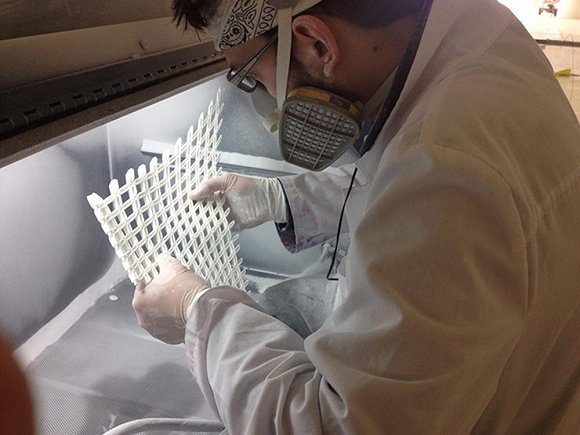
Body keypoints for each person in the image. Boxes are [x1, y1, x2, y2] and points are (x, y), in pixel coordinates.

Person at [132, 0, 580, 433]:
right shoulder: (478, 30)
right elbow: (396, 179)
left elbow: (330, 426)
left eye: (251, 76)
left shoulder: (444, 169)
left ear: (317, 45)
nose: (266, 99)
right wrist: (278, 198)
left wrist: (197, 311)